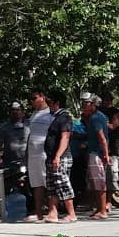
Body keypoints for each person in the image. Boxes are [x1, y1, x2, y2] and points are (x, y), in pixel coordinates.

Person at [43, 90, 77, 223]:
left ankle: (71, 213)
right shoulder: (54, 118)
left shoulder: (64, 117)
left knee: (62, 183)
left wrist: (58, 156)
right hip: (51, 156)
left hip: (61, 157)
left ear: (57, 103)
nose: (48, 105)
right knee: (52, 185)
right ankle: (53, 213)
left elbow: (65, 138)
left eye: (50, 102)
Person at [81, 94, 112, 218]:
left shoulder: (95, 118)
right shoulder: (99, 116)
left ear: (93, 104)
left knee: (99, 182)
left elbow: (102, 137)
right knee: (95, 181)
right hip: (95, 151)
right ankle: (99, 208)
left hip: (96, 152)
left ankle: (102, 211)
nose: (84, 105)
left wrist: (105, 154)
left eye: (86, 103)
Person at [24, 89, 53, 222]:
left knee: (48, 182)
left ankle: (52, 211)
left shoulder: (50, 113)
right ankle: (38, 212)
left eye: (34, 98)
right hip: (33, 153)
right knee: (36, 183)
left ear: (42, 97)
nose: (32, 101)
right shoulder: (34, 115)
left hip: (44, 153)